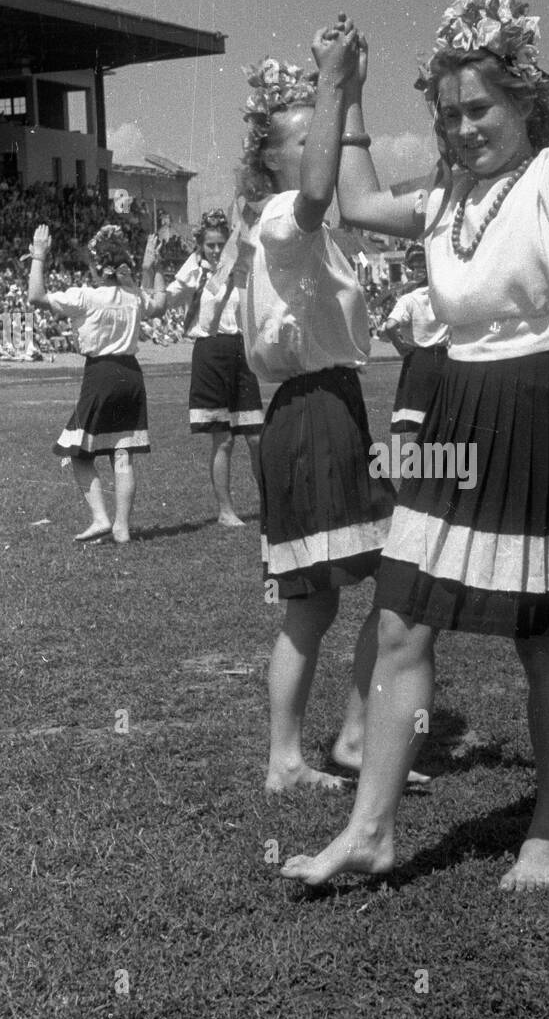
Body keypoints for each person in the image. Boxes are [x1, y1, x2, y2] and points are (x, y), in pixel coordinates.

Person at [282, 0, 549, 891]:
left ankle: (548, 820)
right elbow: (352, 202)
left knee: (540, 638)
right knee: (399, 620)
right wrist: (340, 88)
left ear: (523, 102)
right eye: (446, 115)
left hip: (536, 413)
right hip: (453, 419)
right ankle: (372, 830)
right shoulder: (441, 199)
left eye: (477, 110)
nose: (460, 128)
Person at [231, 46, 426, 792]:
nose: (322, 139)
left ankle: (349, 736)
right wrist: (336, 87)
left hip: (334, 410)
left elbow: (339, 181)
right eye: (304, 132)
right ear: (270, 160)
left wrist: (352, 95)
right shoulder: (281, 216)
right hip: (308, 414)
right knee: (313, 605)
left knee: (387, 581)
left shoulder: (317, 231)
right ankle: (287, 756)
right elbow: (318, 189)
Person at [27, 223, 166, 542]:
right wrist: (153, 269)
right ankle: (122, 528)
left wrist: (38, 255)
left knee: (77, 452)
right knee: (123, 452)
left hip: (100, 374)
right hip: (131, 375)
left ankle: (101, 518)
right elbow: (158, 305)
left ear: (97, 266)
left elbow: (36, 296)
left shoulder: (86, 296)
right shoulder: (132, 296)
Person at [160, 210, 263, 527]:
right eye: (211, 246)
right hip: (210, 351)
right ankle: (226, 511)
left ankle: (270, 504)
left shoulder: (239, 265)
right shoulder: (193, 270)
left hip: (241, 351)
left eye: (221, 245)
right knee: (224, 439)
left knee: (256, 436)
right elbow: (165, 299)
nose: (217, 251)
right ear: (201, 246)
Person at [381, 244, 450, 441]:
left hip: (418, 360)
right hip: (445, 358)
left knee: (417, 420)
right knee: (444, 417)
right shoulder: (443, 295)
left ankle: (420, 465)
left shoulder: (408, 300)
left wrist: (400, 346)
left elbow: (390, 326)